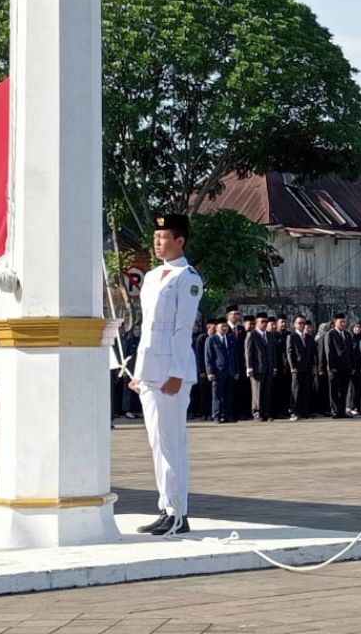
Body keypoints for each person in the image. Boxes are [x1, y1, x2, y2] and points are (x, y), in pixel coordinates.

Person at [131, 213, 202, 535]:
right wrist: (138, 372)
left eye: (164, 237)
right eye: (156, 237)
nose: (157, 242)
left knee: (171, 444)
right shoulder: (152, 276)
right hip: (150, 370)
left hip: (171, 373)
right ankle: (166, 507)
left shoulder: (187, 277)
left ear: (180, 240)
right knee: (157, 443)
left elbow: (181, 329)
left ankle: (177, 513)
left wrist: (175, 372)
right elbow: (148, 329)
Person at [206, 320, 237, 423]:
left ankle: (227, 415)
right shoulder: (211, 339)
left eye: (226, 326)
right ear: (216, 327)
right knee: (217, 395)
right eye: (222, 326)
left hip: (229, 371)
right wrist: (210, 372)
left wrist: (236, 370)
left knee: (228, 395)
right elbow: (209, 357)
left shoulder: (230, 339)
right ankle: (216, 415)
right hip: (217, 371)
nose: (225, 328)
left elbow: (234, 356)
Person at [245, 312, 274, 422]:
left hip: (268, 368)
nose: (265, 324)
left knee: (267, 392)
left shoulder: (270, 335)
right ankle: (256, 412)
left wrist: (274, 366)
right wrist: (249, 367)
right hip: (257, 369)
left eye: (266, 321)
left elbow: (272, 352)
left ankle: (265, 412)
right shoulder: (252, 335)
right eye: (262, 321)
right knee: (257, 392)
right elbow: (248, 352)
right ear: (257, 322)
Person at [287, 317, 317, 421]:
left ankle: (305, 412)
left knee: (306, 390)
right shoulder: (292, 337)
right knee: (296, 390)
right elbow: (290, 352)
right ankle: (294, 411)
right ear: (294, 324)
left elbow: (313, 353)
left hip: (307, 367)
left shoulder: (309, 338)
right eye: (299, 323)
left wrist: (313, 366)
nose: (302, 325)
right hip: (297, 368)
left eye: (303, 323)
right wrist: (292, 366)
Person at [326, 314, 354, 417]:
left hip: (346, 367)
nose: (343, 324)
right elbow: (329, 351)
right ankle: (335, 410)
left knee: (344, 390)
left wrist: (352, 366)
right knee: (334, 390)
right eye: (341, 322)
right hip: (335, 367)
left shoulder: (347, 334)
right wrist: (331, 366)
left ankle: (342, 410)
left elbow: (351, 351)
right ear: (335, 322)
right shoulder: (330, 334)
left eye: (344, 322)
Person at [349, 322, 361, 415]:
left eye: (359, 327)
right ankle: (352, 407)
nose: (357, 329)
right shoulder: (350, 339)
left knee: (360, 388)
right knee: (353, 388)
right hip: (353, 367)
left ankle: (359, 407)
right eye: (355, 327)